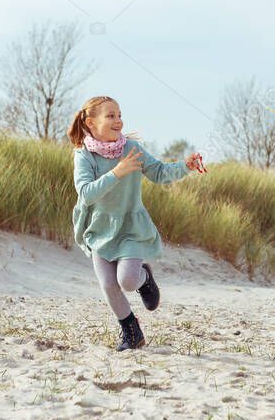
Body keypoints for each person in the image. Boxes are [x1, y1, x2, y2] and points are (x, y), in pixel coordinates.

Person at [67, 95, 205, 351]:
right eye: (110, 116)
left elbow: (160, 173)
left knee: (127, 281)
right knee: (109, 285)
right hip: (98, 229)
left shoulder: (133, 149)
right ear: (90, 122)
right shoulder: (83, 155)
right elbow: (85, 193)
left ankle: (145, 278)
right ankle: (131, 332)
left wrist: (185, 166)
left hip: (130, 227)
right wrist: (117, 172)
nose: (118, 120)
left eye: (119, 115)